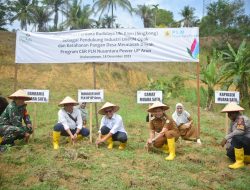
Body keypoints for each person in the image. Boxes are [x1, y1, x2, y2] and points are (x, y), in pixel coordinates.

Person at [220, 102, 250, 169]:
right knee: (229, 153)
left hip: (248, 142)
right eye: (228, 113)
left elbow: (239, 131)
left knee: (237, 137)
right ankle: (247, 159)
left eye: (230, 113)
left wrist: (225, 138)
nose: (228, 115)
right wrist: (228, 146)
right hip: (242, 146)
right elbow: (230, 133)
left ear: (235, 112)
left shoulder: (242, 119)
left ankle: (240, 162)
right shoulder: (233, 122)